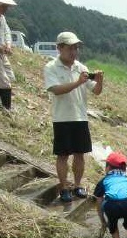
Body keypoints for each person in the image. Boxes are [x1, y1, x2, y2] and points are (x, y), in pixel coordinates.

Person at [44, 31, 104, 203]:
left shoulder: (81, 67)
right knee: (62, 155)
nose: (74, 51)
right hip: (62, 118)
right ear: (59, 48)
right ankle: (63, 187)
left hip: (80, 117)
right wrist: (78, 82)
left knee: (80, 154)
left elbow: (96, 91)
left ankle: (78, 185)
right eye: (70, 48)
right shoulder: (51, 67)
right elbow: (55, 89)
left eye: (76, 48)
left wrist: (100, 81)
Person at [93, 152, 127, 238]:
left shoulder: (104, 181)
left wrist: (103, 221)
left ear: (108, 168)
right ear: (124, 168)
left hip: (112, 206)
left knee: (112, 222)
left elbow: (99, 202)